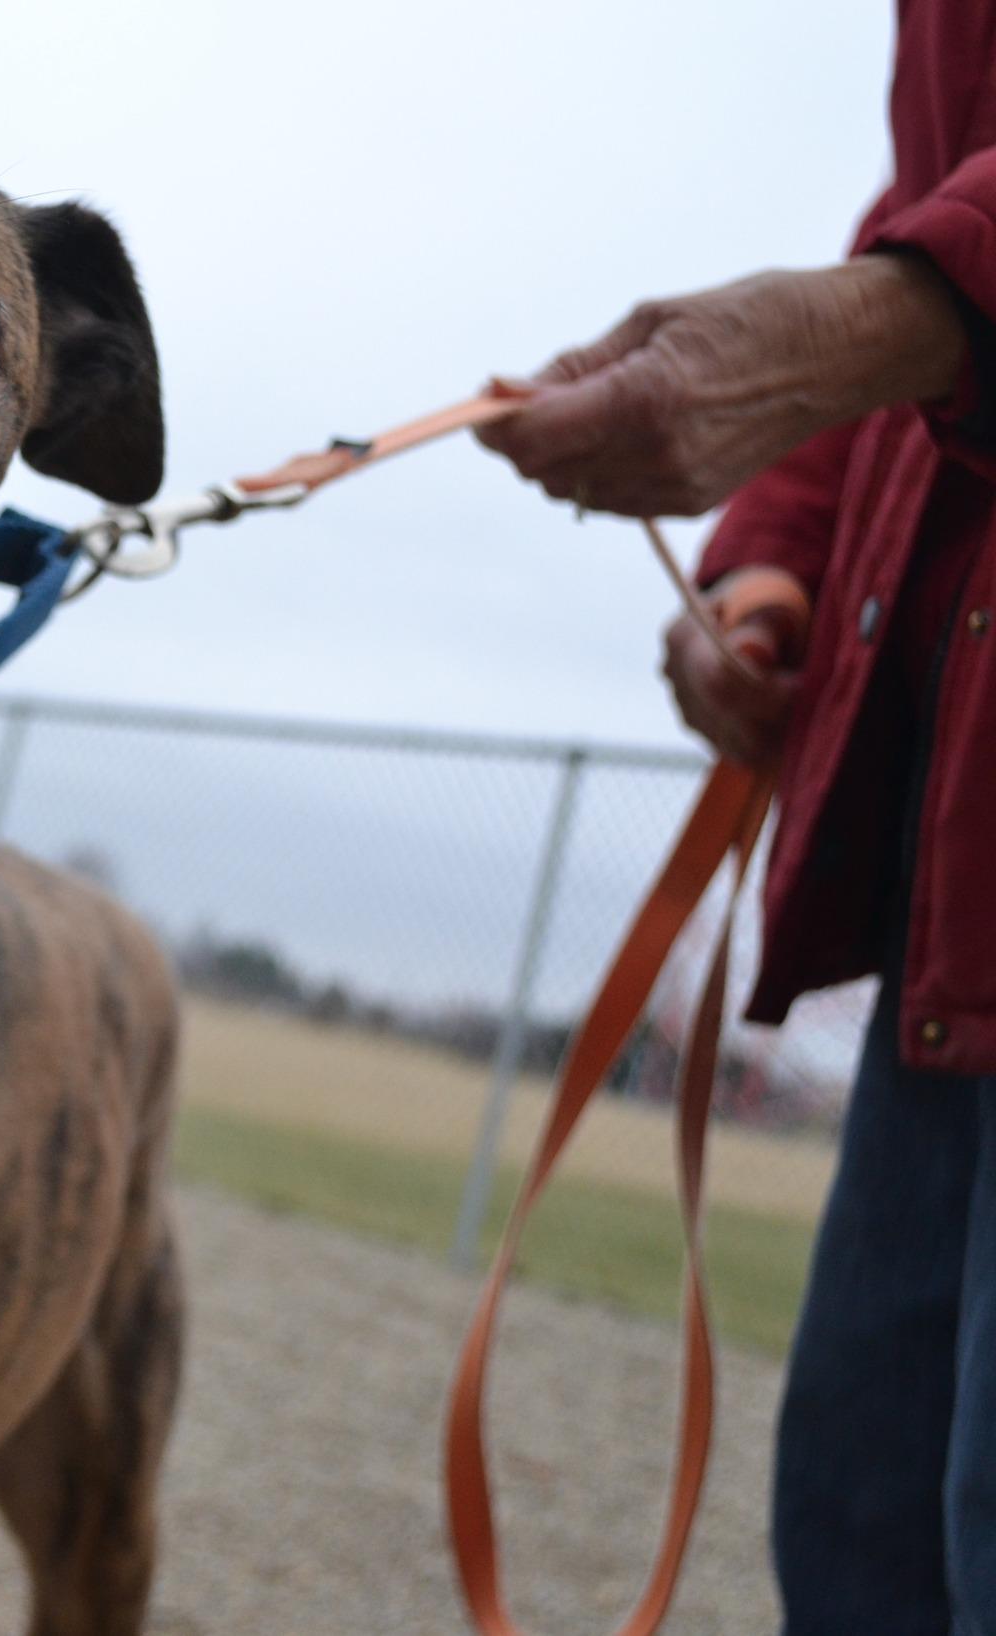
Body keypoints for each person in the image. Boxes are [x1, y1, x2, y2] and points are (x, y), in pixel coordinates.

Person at [476, 5, 996, 1630]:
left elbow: (923, 290)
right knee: (861, 1518)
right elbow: (924, 237)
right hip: (953, 891)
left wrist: (874, 322)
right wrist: (768, 572)